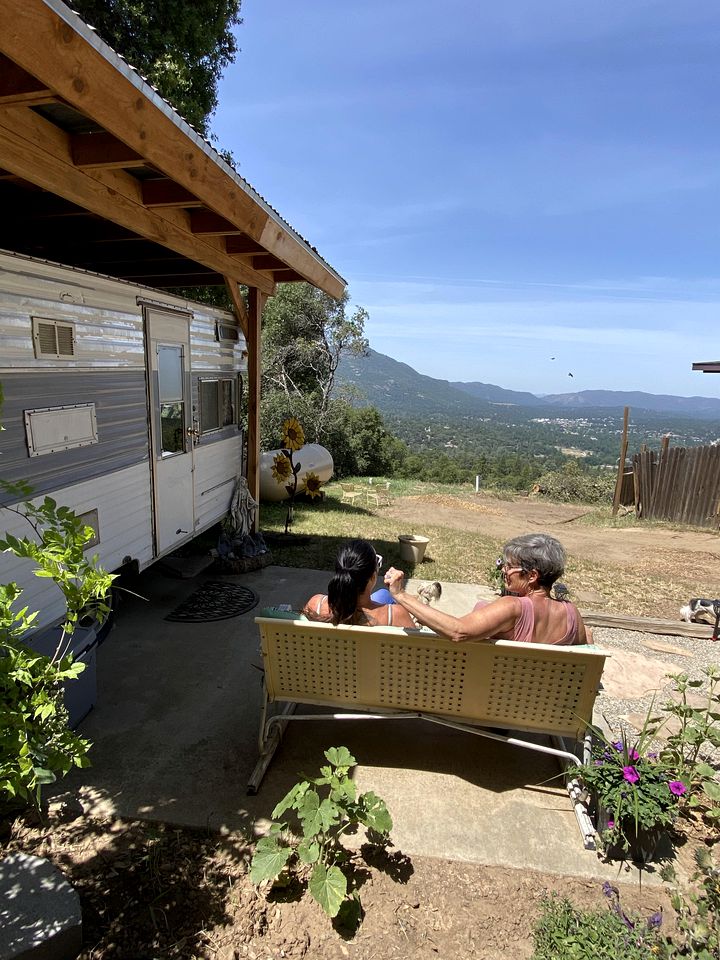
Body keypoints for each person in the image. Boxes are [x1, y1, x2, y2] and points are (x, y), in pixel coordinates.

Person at [383, 532, 589, 645]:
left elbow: (457, 632)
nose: (503, 571)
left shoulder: (513, 607)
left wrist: (401, 595)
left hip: (496, 704)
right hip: (546, 710)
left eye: (509, 567)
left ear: (532, 576)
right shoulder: (573, 615)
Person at [303, 538, 417, 628]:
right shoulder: (396, 616)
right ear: (372, 576)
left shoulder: (315, 605)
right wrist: (400, 593)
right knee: (385, 594)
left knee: (383, 594)